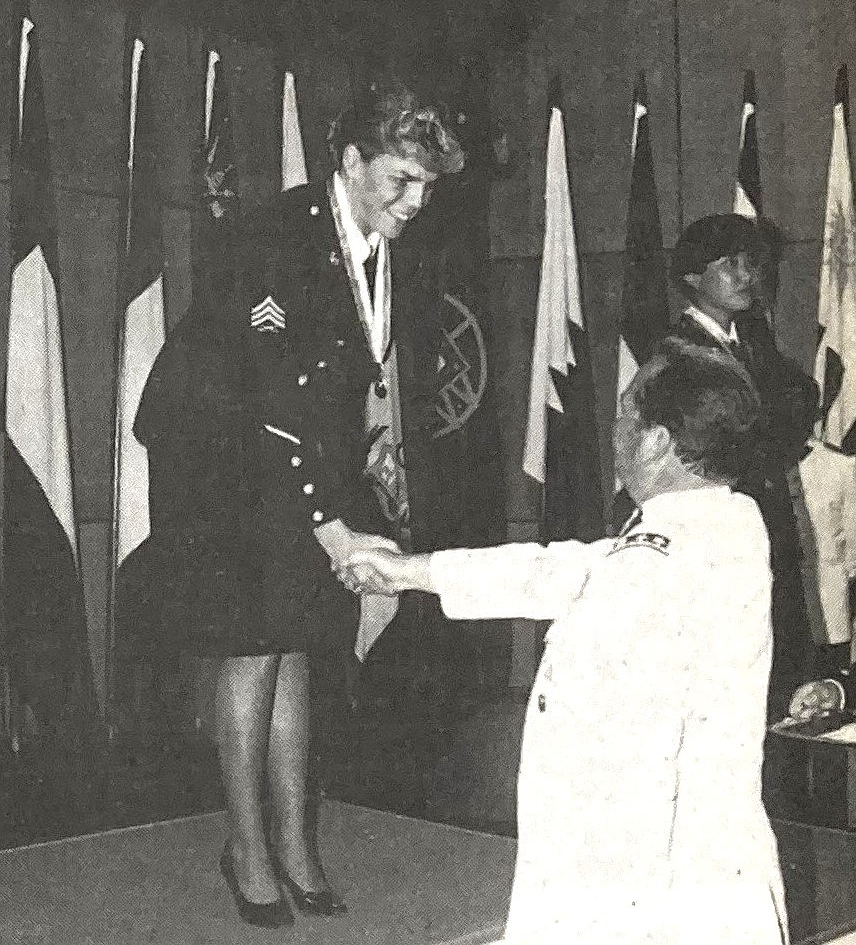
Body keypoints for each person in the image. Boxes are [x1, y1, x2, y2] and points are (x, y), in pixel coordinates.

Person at [121, 76, 464, 928]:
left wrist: (354, 493)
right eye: (399, 180)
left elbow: (347, 384)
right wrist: (328, 519)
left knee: (303, 637)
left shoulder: (376, 240)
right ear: (349, 161)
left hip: (294, 448)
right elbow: (269, 388)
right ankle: (248, 852)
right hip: (218, 460)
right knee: (253, 643)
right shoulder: (273, 236)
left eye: (427, 186)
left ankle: (298, 846)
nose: (415, 202)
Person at [336, 340, 789, 944]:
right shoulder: (728, 523)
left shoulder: (649, 574)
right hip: (714, 875)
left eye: (626, 414)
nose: (615, 430)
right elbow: (562, 568)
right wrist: (410, 571)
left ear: (656, 443)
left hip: (651, 894)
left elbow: (625, 780)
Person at [670, 213, 818, 723]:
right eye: (729, 263)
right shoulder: (679, 353)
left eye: (750, 263)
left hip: (764, 517)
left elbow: (802, 398)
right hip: (716, 529)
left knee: (777, 675)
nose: (746, 274)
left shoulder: (750, 343)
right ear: (693, 277)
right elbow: (714, 444)